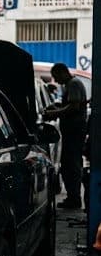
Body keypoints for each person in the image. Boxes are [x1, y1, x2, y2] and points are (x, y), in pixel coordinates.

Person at [43, 63, 88, 209]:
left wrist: (55, 113)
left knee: (71, 165)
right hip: (72, 132)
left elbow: (74, 107)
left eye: (56, 77)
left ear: (63, 72)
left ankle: (74, 199)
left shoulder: (74, 84)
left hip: (74, 132)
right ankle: (72, 197)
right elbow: (70, 105)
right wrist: (57, 107)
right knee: (69, 164)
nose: (55, 81)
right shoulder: (71, 84)